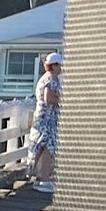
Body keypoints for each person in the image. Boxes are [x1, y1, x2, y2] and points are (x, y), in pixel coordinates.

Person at [30, 52, 61, 193]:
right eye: (59, 65)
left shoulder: (44, 78)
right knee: (47, 147)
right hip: (47, 119)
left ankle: (39, 176)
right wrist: (62, 101)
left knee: (40, 147)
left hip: (43, 117)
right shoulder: (50, 79)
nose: (60, 68)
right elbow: (49, 98)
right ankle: (44, 179)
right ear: (53, 66)